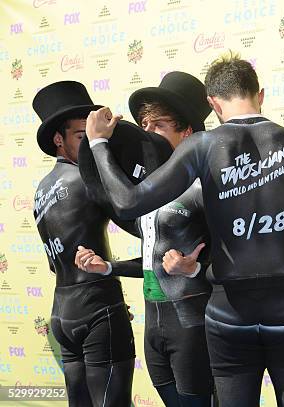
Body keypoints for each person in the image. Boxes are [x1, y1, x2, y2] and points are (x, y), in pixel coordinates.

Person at [84, 54, 284, 407]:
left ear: (213, 103)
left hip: (229, 311)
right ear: (261, 94)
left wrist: (99, 144)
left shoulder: (203, 146)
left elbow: (128, 202)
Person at [75, 72, 215, 407]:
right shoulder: (147, 197)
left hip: (193, 326)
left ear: (188, 132)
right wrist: (108, 266)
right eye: (144, 124)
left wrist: (194, 269)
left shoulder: (206, 186)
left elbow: (233, 257)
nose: (147, 134)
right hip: (155, 329)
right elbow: (155, 262)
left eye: (159, 125)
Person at [32, 81, 135, 407]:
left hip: (63, 314)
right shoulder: (87, 180)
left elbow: (55, 260)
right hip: (98, 309)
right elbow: (145, 224)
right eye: (81, 137)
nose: (90, 145)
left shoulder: (40, 191)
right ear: (58, 140)